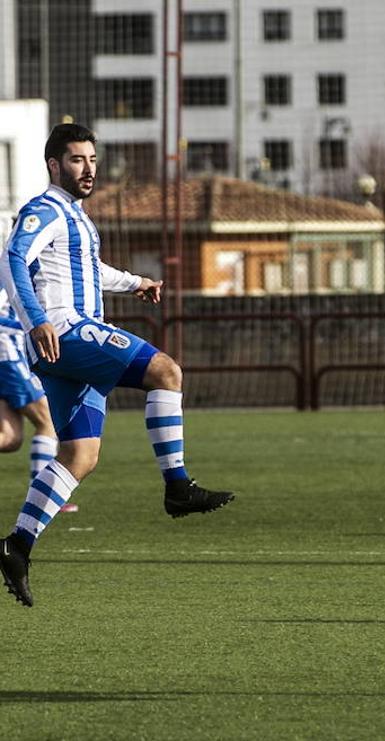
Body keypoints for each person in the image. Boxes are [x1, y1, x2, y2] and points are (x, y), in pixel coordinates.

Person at [0, 123, 234, 608]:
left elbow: (88, 270)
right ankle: (177, 486)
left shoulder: (76, 217)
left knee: (81, 456)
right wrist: (36, 319)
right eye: (77, 160)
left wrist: (134, 282)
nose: (88, 169)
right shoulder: (44, 210)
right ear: (54, 165)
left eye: (92, 160)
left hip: (63, 351)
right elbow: (11, 259)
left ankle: (16, 546)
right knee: (166, 372)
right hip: (65, 330)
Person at [0, 289, 73, 508]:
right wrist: (30, 327)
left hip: (11, 354)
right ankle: (43, 498)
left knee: (10, 438)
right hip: (7, 356)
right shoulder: (6, 267)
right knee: (47, 420)